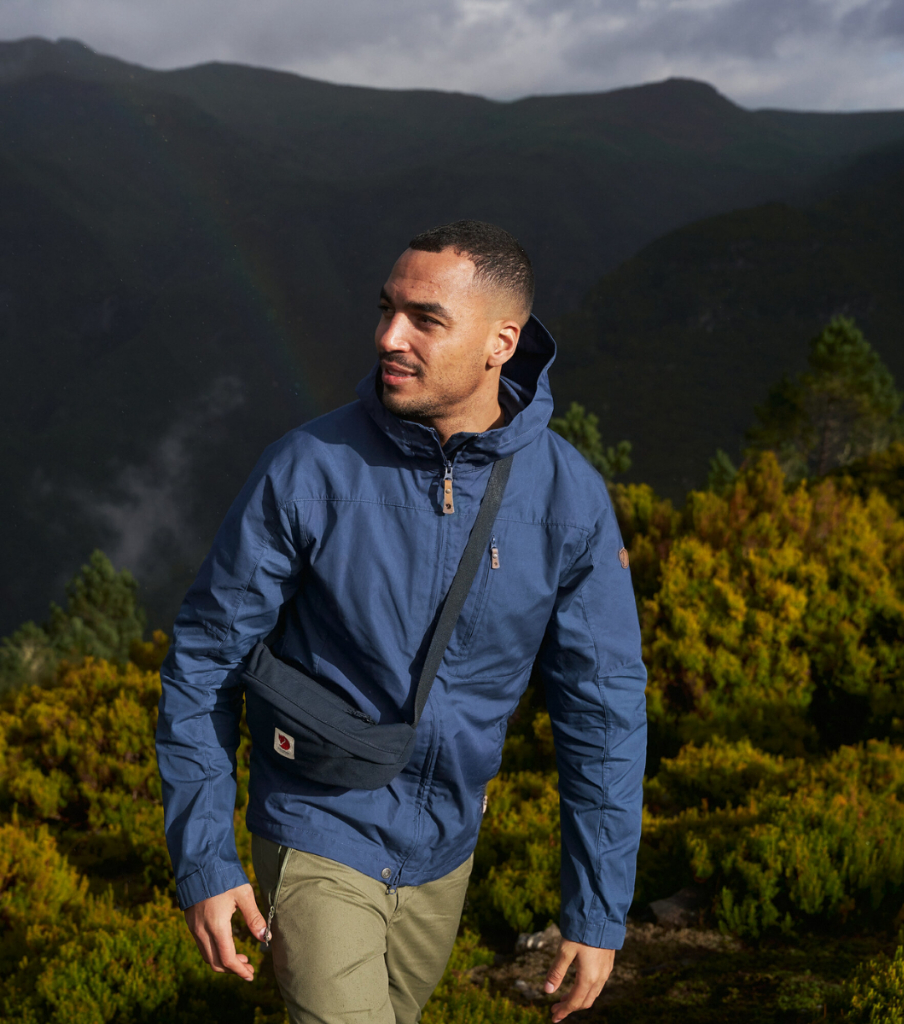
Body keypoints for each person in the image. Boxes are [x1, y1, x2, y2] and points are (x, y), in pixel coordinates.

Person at [156, 220, 648, 1024]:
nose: (389, 336)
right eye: (387, 309)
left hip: (446, 852)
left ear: (500, 343)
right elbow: (205, 661)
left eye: (426, 319)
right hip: (317, 822)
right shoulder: (308, 470)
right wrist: (205, 858)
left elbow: (604, 711)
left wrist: (597, 910)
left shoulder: (570, 500)